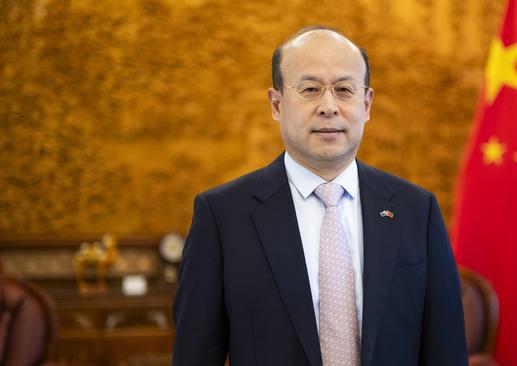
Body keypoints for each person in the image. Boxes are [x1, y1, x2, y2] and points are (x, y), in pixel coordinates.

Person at [172, 26, 468, 366]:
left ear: (367, 103)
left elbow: (446, 351)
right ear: (276, 103)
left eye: (344, 89)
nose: (329, 107)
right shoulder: (222, 216)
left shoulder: (417, 210)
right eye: (310, 89)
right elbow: (195, 355)